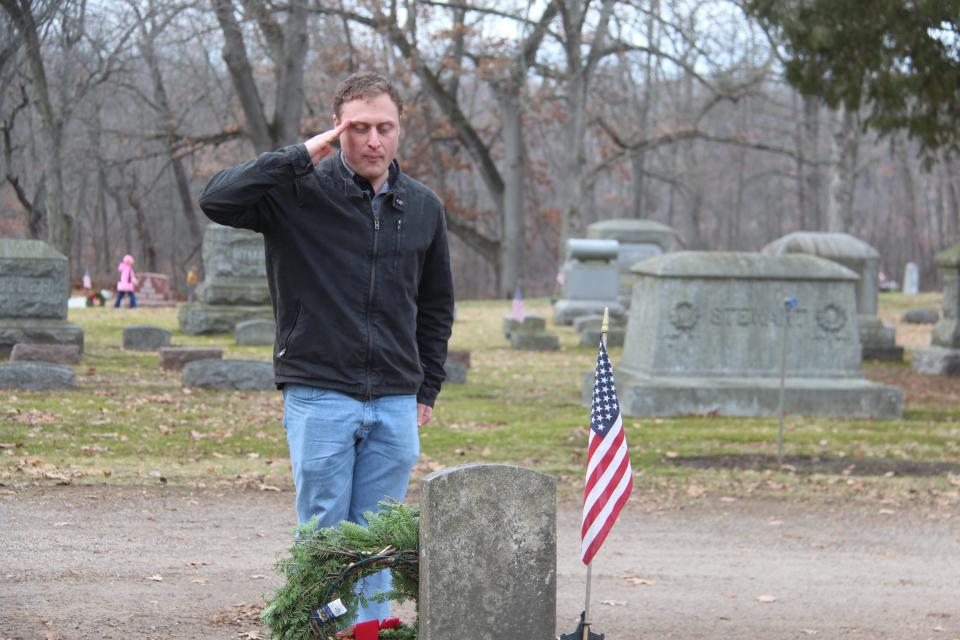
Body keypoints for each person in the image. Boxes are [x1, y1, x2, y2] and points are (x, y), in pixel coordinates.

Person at [198, 72, 454, 623]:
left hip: (395, 396)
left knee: (378, 536)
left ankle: (370, 631)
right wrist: (300, 154)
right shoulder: (296, 195)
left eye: (384, 127)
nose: (372, 141)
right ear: (337, 129)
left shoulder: (425, 207)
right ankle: (318, 631)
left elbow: (436, 306)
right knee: (323, 531)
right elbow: (216, 199)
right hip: (318, 391)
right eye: (357, 128)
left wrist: (426, 384)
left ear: (399, 130)